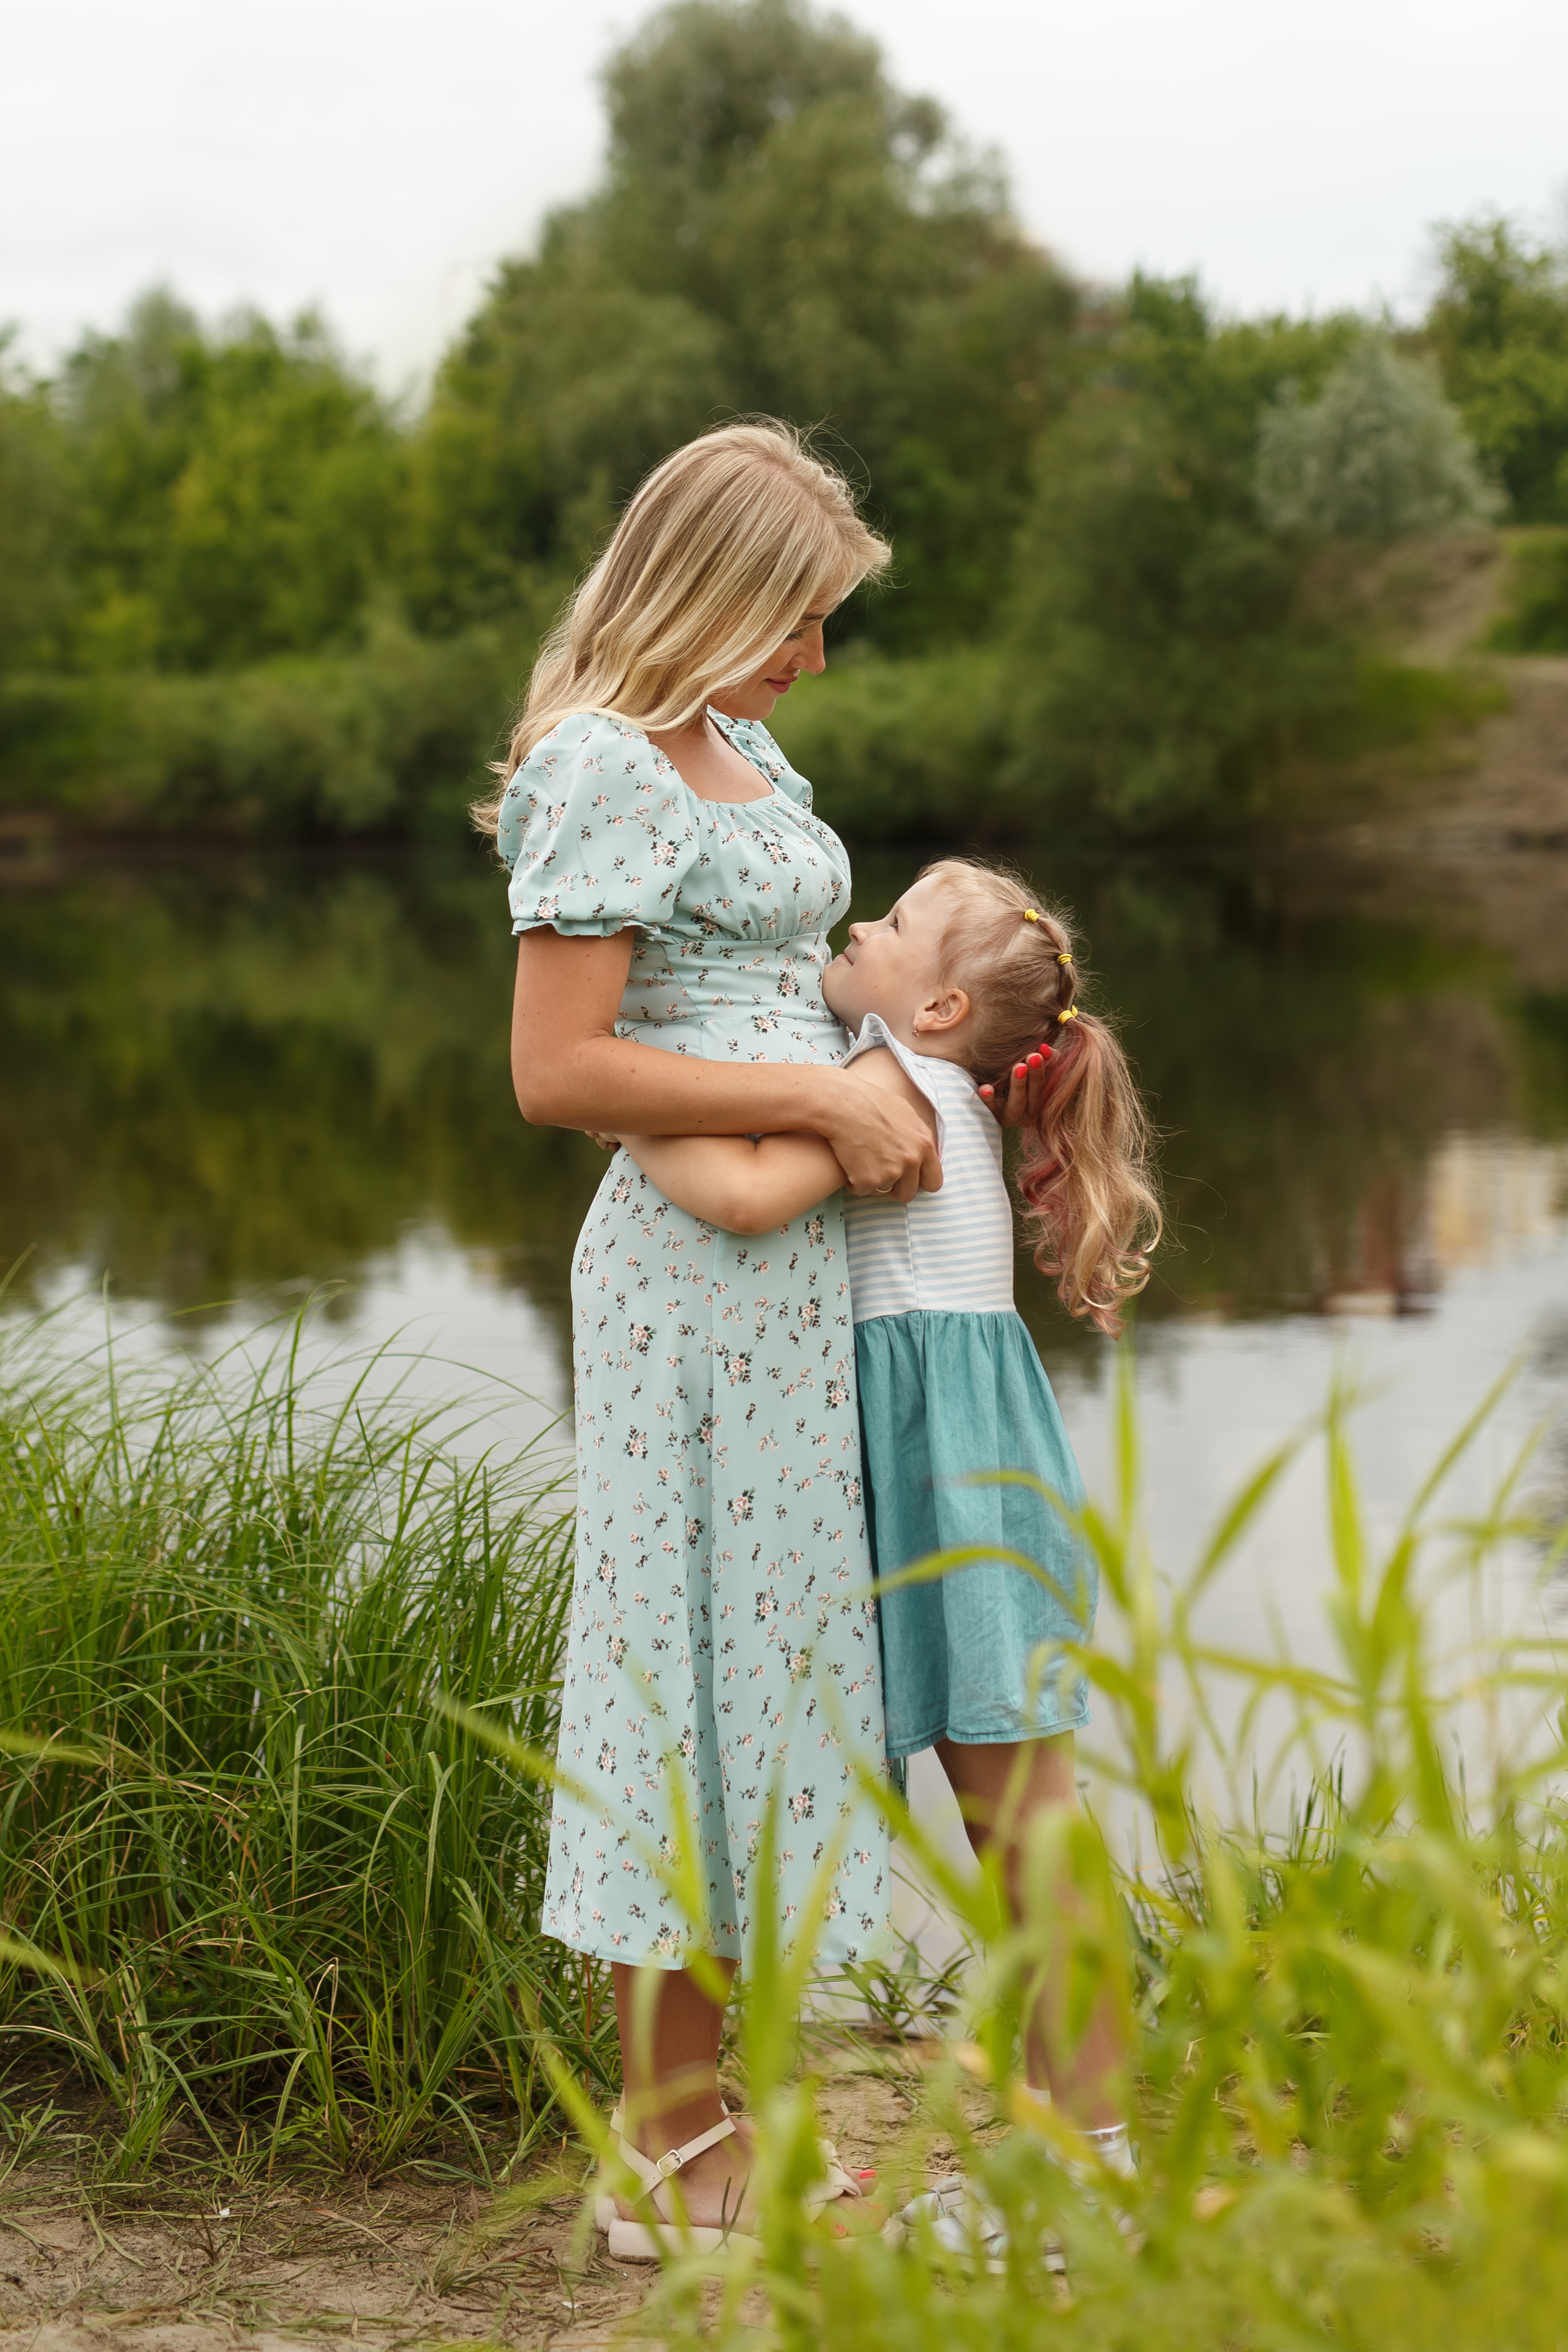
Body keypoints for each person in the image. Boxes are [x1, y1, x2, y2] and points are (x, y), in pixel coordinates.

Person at [484, 422, 1047, 2261]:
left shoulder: (746, 752)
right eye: (796, 618)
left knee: (773, 1668)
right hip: (695, 1277)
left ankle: (735, 2119)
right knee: (679, 1661)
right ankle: (667, 2153)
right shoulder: (595, 762)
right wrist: (815, 1117)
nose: (814, 660)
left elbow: (803, 980)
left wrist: (922, 1077)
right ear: (708, 590)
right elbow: (559, 1065)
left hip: (807, 1280)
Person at [617, 856, 1162, 2230]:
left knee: (1022, 1823)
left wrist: (611, 1107)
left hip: (946, 1492)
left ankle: (1085, 2164)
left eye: (896, 924)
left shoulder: (893, 1092)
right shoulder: (912, 1074)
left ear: (938, 1008)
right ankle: (1078, 2146)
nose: (859, 926)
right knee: (1026, 1817)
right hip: (975, 1475)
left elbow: (742, 1200)